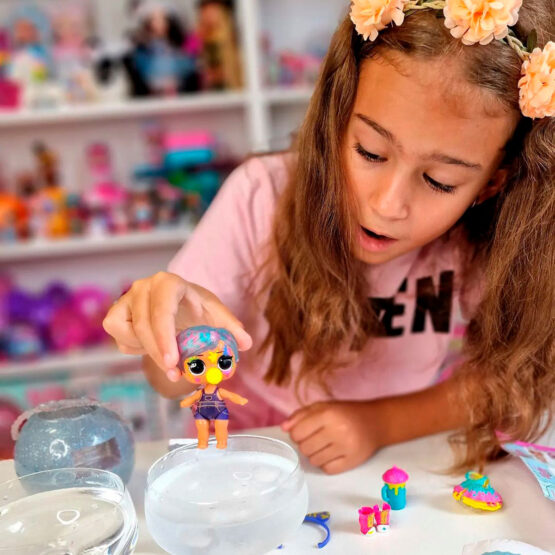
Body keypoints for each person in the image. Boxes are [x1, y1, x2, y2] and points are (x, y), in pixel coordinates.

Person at [104, 0, 554, 474]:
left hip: (394, 460)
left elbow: (511, 378)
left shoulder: (490, 235)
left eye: (440, 181)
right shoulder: (260, 195)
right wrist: (172, 330)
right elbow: (168, 382)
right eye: (371, 152)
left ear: (490, 185)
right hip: (248, 455)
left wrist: (380, 423)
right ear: (333, 118)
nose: (387, 205)